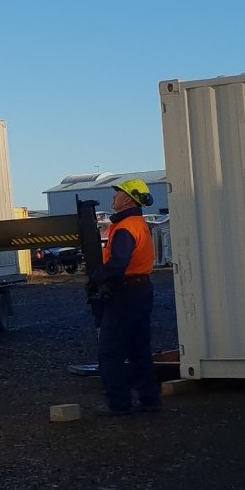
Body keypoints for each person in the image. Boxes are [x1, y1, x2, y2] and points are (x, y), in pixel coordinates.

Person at [90, 178, 158, 415]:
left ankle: (119, 406)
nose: (114, 197)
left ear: (128, 199)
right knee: (139, 349)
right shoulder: (139, 223)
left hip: (125, 292)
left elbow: (118, 263)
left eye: (117, 193)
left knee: (110, 352)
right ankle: (150, 401)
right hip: (141, 290)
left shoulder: (126, 227)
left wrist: (96, 278)